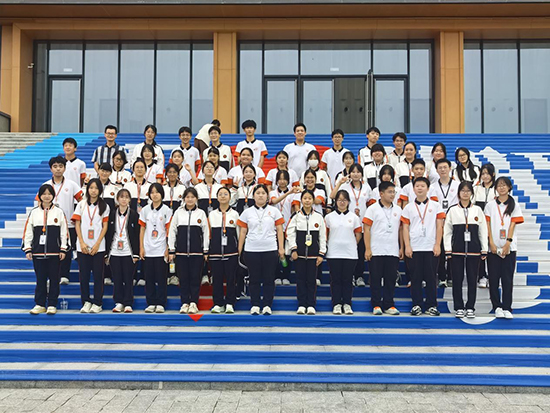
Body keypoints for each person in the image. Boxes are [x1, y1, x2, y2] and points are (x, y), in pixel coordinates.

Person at [237, 184, 285, 316]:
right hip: (251, 250)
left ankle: (267, 305)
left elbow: (279, 230)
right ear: (253, 196)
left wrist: (281, 248)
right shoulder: (247, 212)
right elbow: (243, 232)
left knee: (269, 279)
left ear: (267, 196)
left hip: (270, 249)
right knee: (254, 279)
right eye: (258, 193)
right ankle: (255, 304)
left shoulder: (274, 211)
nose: (260, 195)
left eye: (263, 193)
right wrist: (239, 250)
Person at [444, 181, 488, 318]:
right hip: (456, 251)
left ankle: (470, 307)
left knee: (472, 280)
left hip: (474, 250)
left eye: (468, 191)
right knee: (456, 280)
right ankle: (458, 307)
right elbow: (447, 231)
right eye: (462, 190)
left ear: (472, 193)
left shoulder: (478, 210)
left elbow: (483, 231)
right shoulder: (452, 210)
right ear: (458, 193)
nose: (465, 193)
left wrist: (484, 249)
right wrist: (448, 249)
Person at [401, 177, 445, 316]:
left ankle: (432, 305)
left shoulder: (436, 206)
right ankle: (417, 305)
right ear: (413, 189)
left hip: (431, 247)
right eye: (417, 186)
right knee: (415, 278)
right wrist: (407, 246)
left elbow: (439, 226)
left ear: (428, 189)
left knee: (431, 278)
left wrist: (437, 244)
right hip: (414, 248)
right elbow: (405, 228)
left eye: (422, 186)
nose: (420, 188)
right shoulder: (408, 208)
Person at [23, 184, 69, 315]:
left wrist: (63, 249)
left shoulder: (59, 212)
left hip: (55, 253)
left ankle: (52, 304)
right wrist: (28, 248)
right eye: (44, 194)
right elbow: (28, 232)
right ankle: (40, 304)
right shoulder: (34, 212)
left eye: (49, 194)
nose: (47, 196)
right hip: (37, 252)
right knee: (40, 279)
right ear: (40, 196)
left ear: (53, 196)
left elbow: (64, 232)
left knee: (54, 279)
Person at [485, 177, 524, 320]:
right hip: (493, 248)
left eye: (504, 185)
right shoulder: (490, 205)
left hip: (509, 248)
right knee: (494, 279)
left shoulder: (515, 205)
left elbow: (513, 224)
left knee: (507, 279)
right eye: (499, 185)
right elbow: (488, 225)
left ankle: (507, 307)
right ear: (495, 188)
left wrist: (508, 243)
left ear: (509, 187)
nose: (501, 188)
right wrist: (491, 243)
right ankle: (496, 306)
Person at [41, 156, 83, 286]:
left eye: (60, 166)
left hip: (68, 223)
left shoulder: (72, 184)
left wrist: (76, 216)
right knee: (53, 249)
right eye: (55, 166)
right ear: (51, 169)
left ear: (65, 168)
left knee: (67, 249)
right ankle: (53, 275)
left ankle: (65, 275)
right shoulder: (46, 185)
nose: (58, 169)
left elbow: (82, 202)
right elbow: (39, 203)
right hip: (51, 224)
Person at [363, 181, 403, 316]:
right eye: (389, 192)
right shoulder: (372, 209)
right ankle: (376, 304)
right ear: (381, 193)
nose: (392, 195)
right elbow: (366, 229)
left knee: (390, 279)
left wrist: (401, 247)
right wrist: (368, 248)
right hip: (376, 250)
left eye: (394, 192)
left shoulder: (398, 210)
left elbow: (401, 230)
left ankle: (389, 304)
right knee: (375, 279)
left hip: (392, 250)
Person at [168, 188, 209, 315]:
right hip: (180, 253)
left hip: (197, 253)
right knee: (183, 279)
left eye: (192, 197)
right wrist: (171, 249)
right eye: (187, 197)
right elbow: (172, 231)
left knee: (195, 278)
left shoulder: (201, 213)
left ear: (196, 199)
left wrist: (205, 249)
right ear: (184, 198)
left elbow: (206, 232)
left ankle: (193, 303)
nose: (190, 199)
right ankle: (185, 302)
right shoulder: (178, 213)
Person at [72, 178, 110, 314]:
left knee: (98, 276)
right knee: (84, 276)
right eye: (91, 188)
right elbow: (77, 224)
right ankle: (86, 302)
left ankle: (97, 302)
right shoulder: (81, 204)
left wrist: (97, 243)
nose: (93, 191)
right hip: (82, 246)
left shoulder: (104, 206)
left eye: (96, 188)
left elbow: (105, 226)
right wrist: (82, 242)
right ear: (87, 189)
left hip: (98, 247)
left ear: (100, 190)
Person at [286, 190, 327, 315]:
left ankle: (311, 305)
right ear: (301, 200)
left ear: (313, 200)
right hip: (299, 255)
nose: (307, 200)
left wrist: (321, 253)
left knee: (311, 280)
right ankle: (301, 304)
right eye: (305, 198)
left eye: (310, 198)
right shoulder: (296, 216)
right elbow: (290, 233)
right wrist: (293, 249)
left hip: (314, 255)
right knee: (300, 280)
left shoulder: (318, 217)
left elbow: (323, 236)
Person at [331, 164, 371, 288]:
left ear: (362, 174)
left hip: (362, 224)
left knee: (359, 251)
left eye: (358, 172)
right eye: (353, 172)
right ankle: (351, 276)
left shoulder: (367, 187)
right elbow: (332, 196)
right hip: (347, 224)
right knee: (349, 252)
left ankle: (359, 276)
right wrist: (340, 182)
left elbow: (370, 205)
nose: (355, 174)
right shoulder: (345, 186)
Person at [325, 190, 362, 315]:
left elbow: (358, 235)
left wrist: (350, 244)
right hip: (333, 253)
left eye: (344, 200)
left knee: (347, 280)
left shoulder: (354, 217)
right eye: (339, 200)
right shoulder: (329, 217)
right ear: (335, 202)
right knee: (335, 280)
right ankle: (336, 303)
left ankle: (347, 303)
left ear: (348, 202)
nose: (342, 202)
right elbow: (326, 234)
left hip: (350, 254)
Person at [105, 189, 140, 313]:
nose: (124, 199)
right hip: (114, 251)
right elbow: (108, 234)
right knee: (117, 278)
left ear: (130, 199)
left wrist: (136, 253)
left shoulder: (134, 214)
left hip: (128, 252)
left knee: (128, 278)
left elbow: (137, 234)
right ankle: (119, 302)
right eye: (121, 197)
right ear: (117, 199)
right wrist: (107, 253)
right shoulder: (112, 214)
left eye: (126, 197)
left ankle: (128, 302)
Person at [140, 183, 173, 314]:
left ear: (162, 194)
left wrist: (168, 247)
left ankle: (160, 303)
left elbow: (169, 230)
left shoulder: (167, 210)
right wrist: (141, 247)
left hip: (161, 249)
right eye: (152, 192)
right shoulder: (145, 210)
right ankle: (151, 302)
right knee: (149, 278)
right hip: (148, 249)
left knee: (161, 278)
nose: (154, 195)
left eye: (157, 192)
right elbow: (142, 229)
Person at [428, 158, 459, 288]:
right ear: (436, 170)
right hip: (438, 222)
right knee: (439, 249)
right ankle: (441, 277)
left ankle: (451, 276)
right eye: (440, 168)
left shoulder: (458, 185)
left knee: (453, 249)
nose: (443, 170)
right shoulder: (432, 187)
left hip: (454, 221)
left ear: (450, 168)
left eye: (445, 167)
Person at [208, 187, 240, 314]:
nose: (223, 196)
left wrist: (238, 249)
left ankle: (230, 303)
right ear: (217, 197)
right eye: (220, 194)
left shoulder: (235, 214)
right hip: (215, 252)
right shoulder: (212, 214)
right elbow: (208, 234)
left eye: (225, 194)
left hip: (231, 252)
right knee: (217, 279)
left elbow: (238, 233)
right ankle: (218, 303)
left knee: (231, 279)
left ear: (230, 197)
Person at [270, 170, 301, 285]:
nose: (282, 181)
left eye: (284, 179)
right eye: (280, 179)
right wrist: (288, 193)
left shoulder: (294, 194)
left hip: (288, 227)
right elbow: (274, 201)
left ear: (288, 181)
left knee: (287, 253)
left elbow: (295, 208)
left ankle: (286, 276)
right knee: (276, 253)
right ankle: (277, 275)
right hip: (275, 227)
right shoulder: (272, 192)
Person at [474, 163, 496, 289]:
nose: (485, 176)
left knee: (492, 251)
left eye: (488, 173)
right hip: (479, 224)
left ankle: (492, 276)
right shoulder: (476, 189)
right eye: (483, 174)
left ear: (493, 174)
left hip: (494, 224)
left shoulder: (497, 189)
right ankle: (482, 276)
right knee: (481, 250)